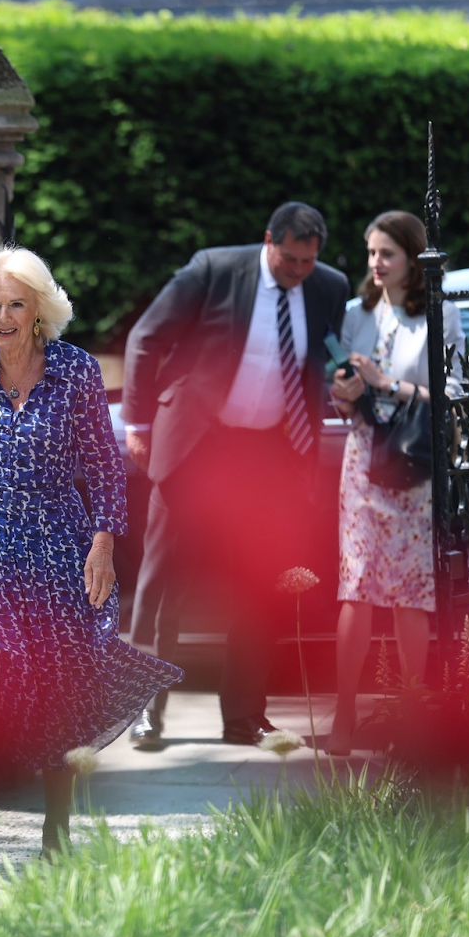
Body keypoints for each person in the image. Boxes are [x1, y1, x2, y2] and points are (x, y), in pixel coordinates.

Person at [0, 245, 181, 883]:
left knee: (56, 696)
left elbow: (104, 466)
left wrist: (105, 543)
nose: (3, 316)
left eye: (17, 304)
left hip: (56, 555)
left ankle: (56, 837)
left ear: (38, 312)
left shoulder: (77, 372)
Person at [122, 202, 349, 749]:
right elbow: (146, 337)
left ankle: (245, 717)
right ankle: (147, 712)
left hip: (272, 454)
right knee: (163, 581)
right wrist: (139, 420)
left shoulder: (328, 286)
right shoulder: (213, 269)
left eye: (307, 262)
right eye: (290, 259)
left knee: (261, 584)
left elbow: (326, 354)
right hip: (197, 445)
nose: (298, 270)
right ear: (268, 240)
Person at [325, 211, 464, 756]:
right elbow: (337, 395)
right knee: (355, 587)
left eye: (386, 253)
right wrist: (346, 390)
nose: (375, 264)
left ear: (412, 256)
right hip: (362, 458)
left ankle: (410, 711)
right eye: (370, 253)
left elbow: (451, 392)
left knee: (410, 590)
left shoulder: (438, 314)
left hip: (412, 463)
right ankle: (343, 715)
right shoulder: (355, 312)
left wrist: (390, 385)